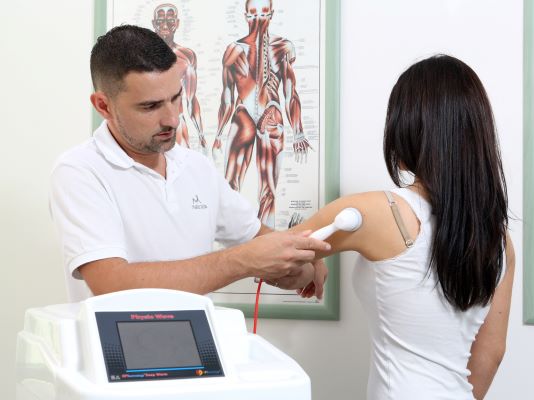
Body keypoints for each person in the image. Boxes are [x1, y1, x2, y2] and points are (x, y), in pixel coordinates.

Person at [49, 25, 329, 302]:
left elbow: (257, 238)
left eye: (176, 98)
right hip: (115, 335)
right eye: (150, 106)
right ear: (103, 106)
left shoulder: (195, 167)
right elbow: (112, 283)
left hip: (199, 333)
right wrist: (243, 261)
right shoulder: (80, 171)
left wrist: (299, 260)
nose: (172, 119)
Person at [292, 55, 514, 399]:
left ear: (408, 128)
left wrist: (312, 262)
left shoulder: (382, 211)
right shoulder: (498, 240)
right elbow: (491, 353)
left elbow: (278, 254)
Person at [212, 0, 310, 228]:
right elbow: (226, 97)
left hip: (271, 115)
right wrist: (218, 134)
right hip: (243, 115)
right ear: (245, 16)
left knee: (268, 190)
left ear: (272, 15)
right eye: (253, 14)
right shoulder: (233, 51)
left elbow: (290, 92)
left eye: (264, 14)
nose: (258, 20)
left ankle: (266, 243)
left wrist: (299, 132)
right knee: (231, 185)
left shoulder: (283, 47)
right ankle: (232, 242)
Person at [151, 3, 206, 152]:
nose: (165, 25)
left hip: (177, 123)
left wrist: (201, 134)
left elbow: (191, 99)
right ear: (154, 24)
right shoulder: (141, 55)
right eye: (160, 20)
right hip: (149, 124)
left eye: (170, 20)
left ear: (177, 23)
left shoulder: (187, 56)